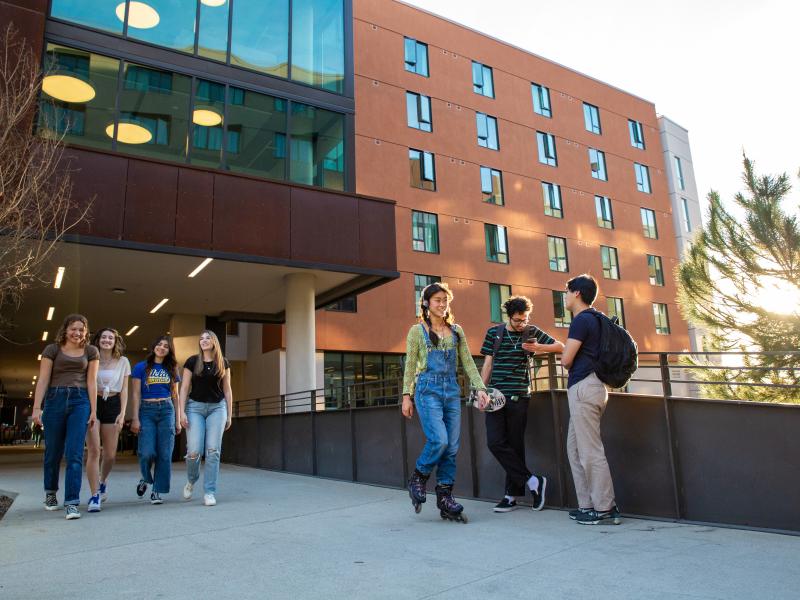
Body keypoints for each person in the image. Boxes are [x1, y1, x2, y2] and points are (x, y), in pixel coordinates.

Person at [401, 282, 488, 522]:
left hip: (451, 391)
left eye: (445, 300)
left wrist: (480, 388)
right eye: (438, 300)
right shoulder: (417, 331)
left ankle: (445, 496)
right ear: (427, 303)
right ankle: (419, 476)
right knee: (439, 440)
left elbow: (468, 362)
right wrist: (406, 396)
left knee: (451, 448)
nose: (442, 304)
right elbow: (410, 365)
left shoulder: (456, 331)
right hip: (427, 390)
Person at [480, 295, 564, 512]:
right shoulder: (494, 333)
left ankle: (510, 496)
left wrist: (538, 348)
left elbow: (560, 347)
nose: (521, 324)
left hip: (519, 397)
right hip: (495, 397)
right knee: (495, 442)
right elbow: (487, 365)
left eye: (525, 319)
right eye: (517, 320)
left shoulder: (531, 332)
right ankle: (533, 481)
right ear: (509, 317)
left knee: (515, 446)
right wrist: (480, 390)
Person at [561, 274, 621, 525]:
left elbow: (566, 360)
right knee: (575, 449)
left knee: (590, 451)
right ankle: (587, 505)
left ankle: (605, 508)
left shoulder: (582, 320)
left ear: (576, 293)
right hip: (593, 387)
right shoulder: (596, 318)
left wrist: (562, 353)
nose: (565, 296)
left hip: (584, 388)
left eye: (567, 291)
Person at [31, 314, 98, 520]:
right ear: (65, 330)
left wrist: (94, 410)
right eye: (73, 329)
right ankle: (51, 493)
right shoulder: (52, 350)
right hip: (55, 400)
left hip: (80, 401)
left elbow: (92, 382)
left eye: (81, 330)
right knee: (53, 452)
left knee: (74, 453)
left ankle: (72, 502)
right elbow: (43, 379)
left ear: (86, 332)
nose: (77, 333)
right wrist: (36, 408)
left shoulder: (91, 351)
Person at [178, 330, 233, 507]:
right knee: (194, 451)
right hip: (195, 408)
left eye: (208, 338)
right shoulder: (192, 361)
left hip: (217, 408)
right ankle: (191, 479)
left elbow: (227, 390)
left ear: (214, 342)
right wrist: (181, 412)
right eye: (201, 338)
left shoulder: (223, 363)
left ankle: (209, 492)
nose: (204, 340)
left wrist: (229, 414)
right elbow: (184, 388)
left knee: (213, 451)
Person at [130, 336, 181, 505]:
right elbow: (136, 394)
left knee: (165, 454)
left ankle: (157, 490)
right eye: (159, 344)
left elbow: (175, 395)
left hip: (167, 410)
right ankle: (145, 478)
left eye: (166, 346)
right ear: (153, 347)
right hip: (147, 411)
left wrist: (178, 420)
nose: (162, 348)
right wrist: (135, 418)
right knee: (147, 452)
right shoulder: (140, 367)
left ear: (169, 350)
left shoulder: (172, 368)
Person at [85, 328, 131, 512]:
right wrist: (91, 409)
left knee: (110, 455)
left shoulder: (123, 361)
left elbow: (125, 389)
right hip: (93, 403)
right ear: (98, 340)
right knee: (94, 451)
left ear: (115, 341)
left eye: (110, 338)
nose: (106, 340)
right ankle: (94, 494)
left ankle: (102, 481)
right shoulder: (91, 357)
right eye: (103, 337)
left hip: (113, 404)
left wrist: (122, 413)